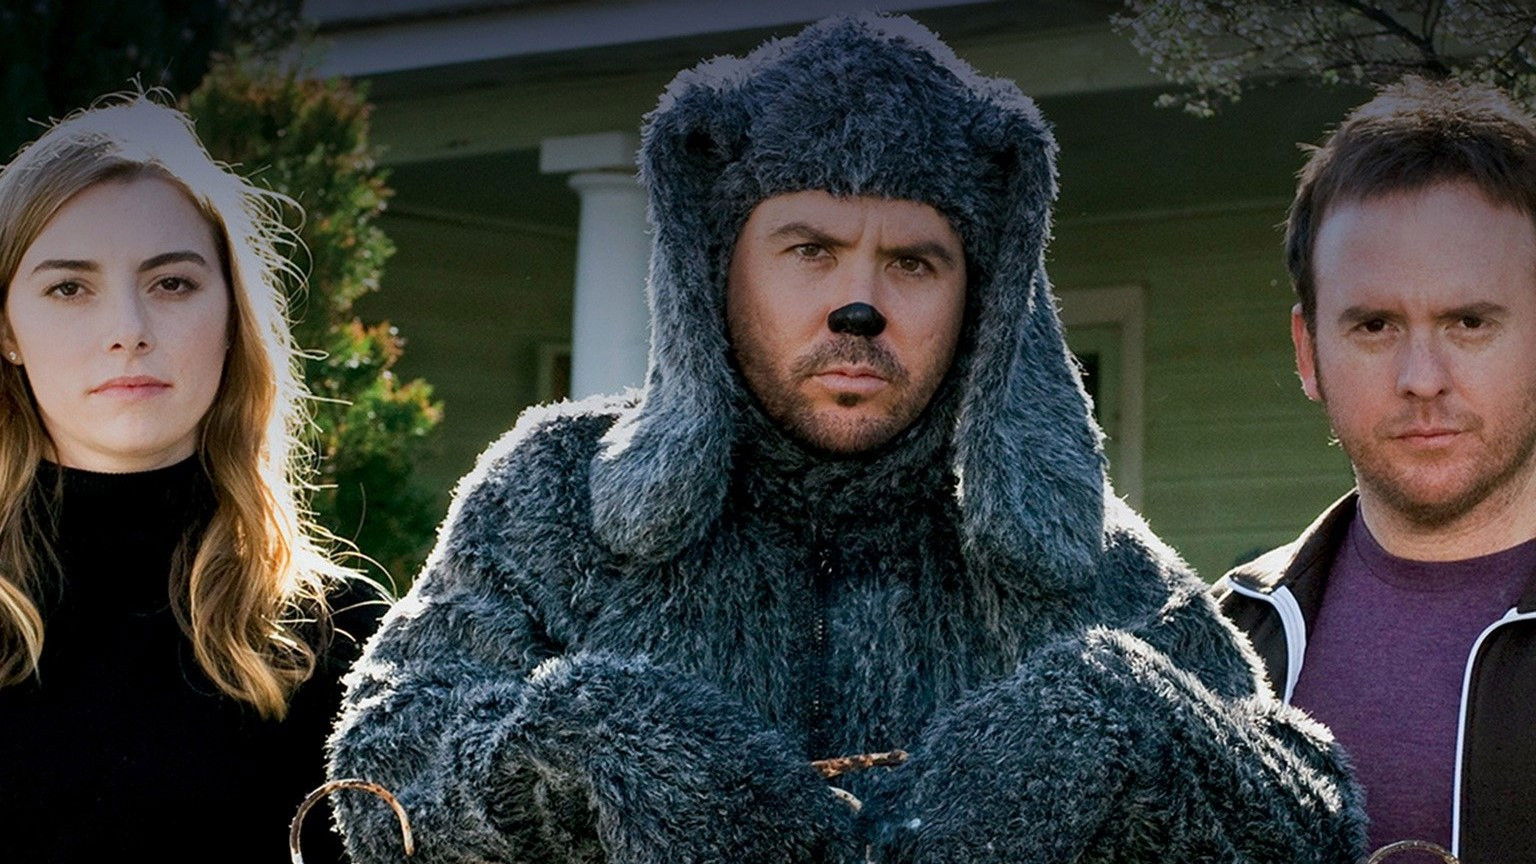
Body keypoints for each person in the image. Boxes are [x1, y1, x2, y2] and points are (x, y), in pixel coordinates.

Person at [330, 15, 1363, 864]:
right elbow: (376, 771)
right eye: (811, 249)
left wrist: (1121, 723)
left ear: (979, 296)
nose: (859, 305)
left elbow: (1309, 810)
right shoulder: (555, 495)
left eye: (913, 262)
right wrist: (590, 744)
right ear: (719, 266)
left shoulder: (1070, 549)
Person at [0, 95, 381, 862]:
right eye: (69, 287)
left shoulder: (337, 635)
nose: (128, 331)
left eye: (171, 282)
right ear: (7, 329)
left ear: (233, 314)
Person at [1216, 78, 1536, 864]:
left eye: (1469, 321)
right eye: (1375, 325)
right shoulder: (1223, 639)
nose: (1422, 378)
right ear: (1308, 352)